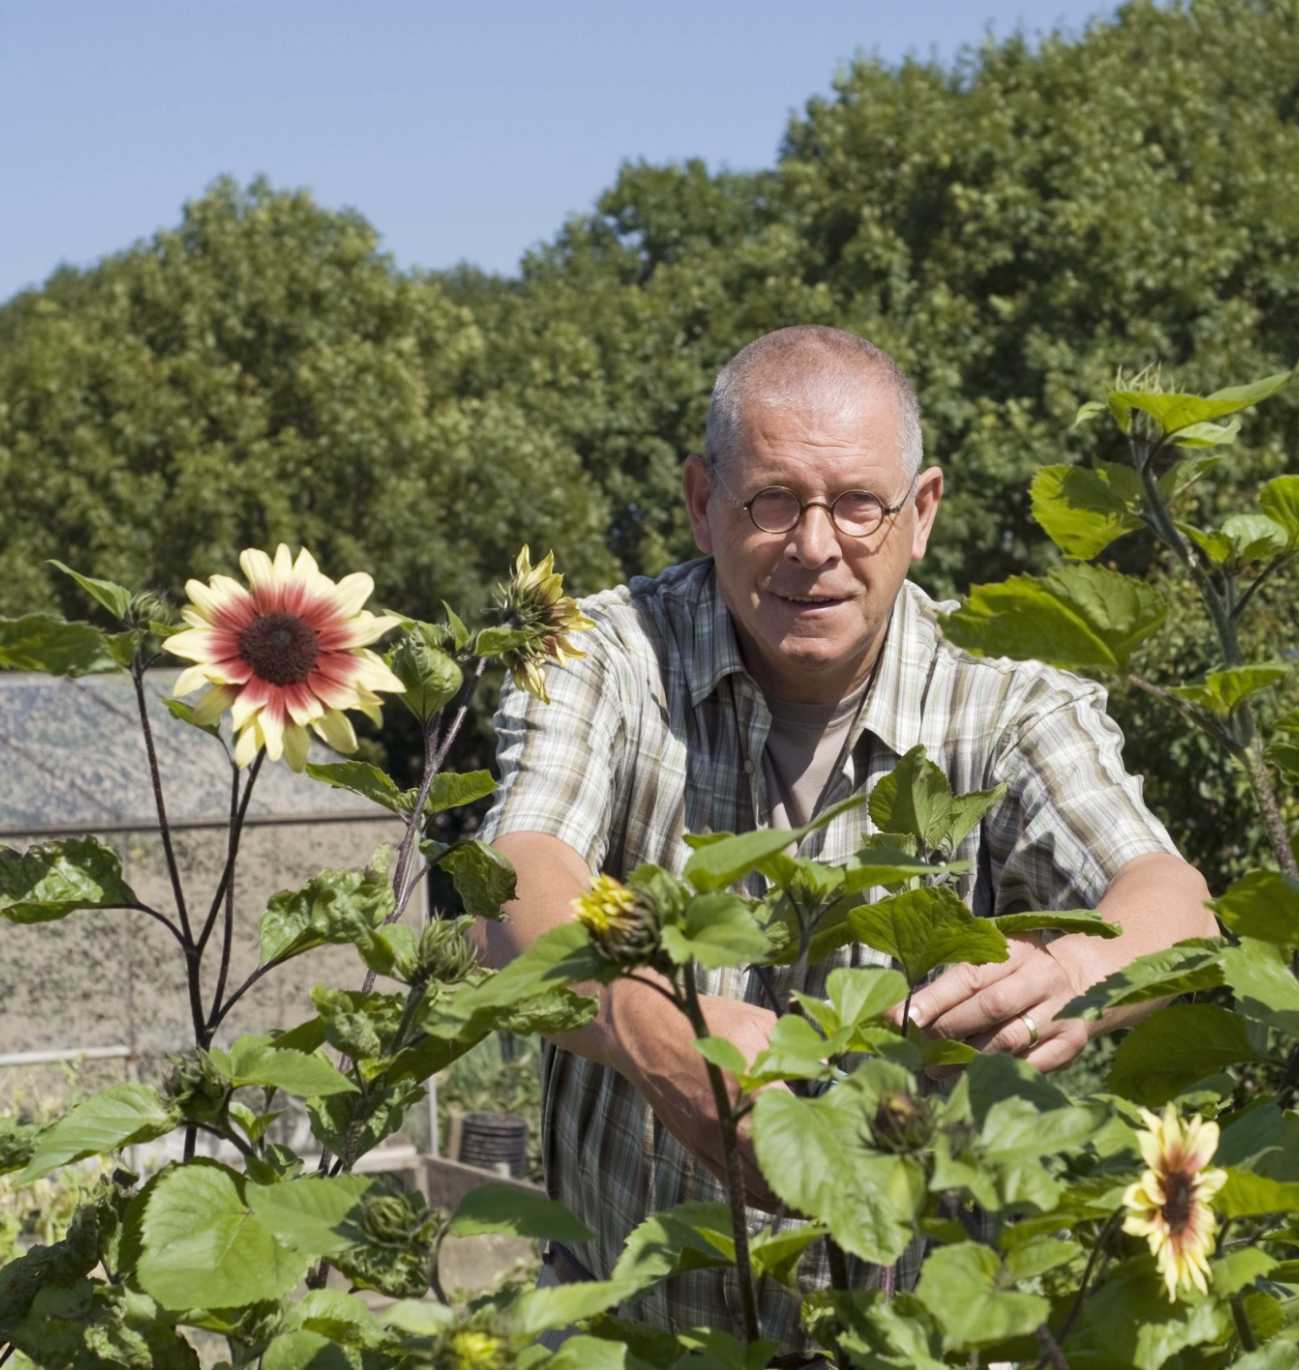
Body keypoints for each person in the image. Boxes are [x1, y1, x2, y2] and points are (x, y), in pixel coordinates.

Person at [475, 325, 1216, 1339]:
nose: (815, 545)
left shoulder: (1007, 696)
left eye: (858, 503)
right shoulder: (602, 656)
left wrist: (1081, 970)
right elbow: (515, 874)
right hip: (640, 1334)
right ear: (700, 503)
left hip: (919, 1338)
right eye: (771, 500)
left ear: (921, 514)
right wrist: (655, 1027)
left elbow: (1171, 903)